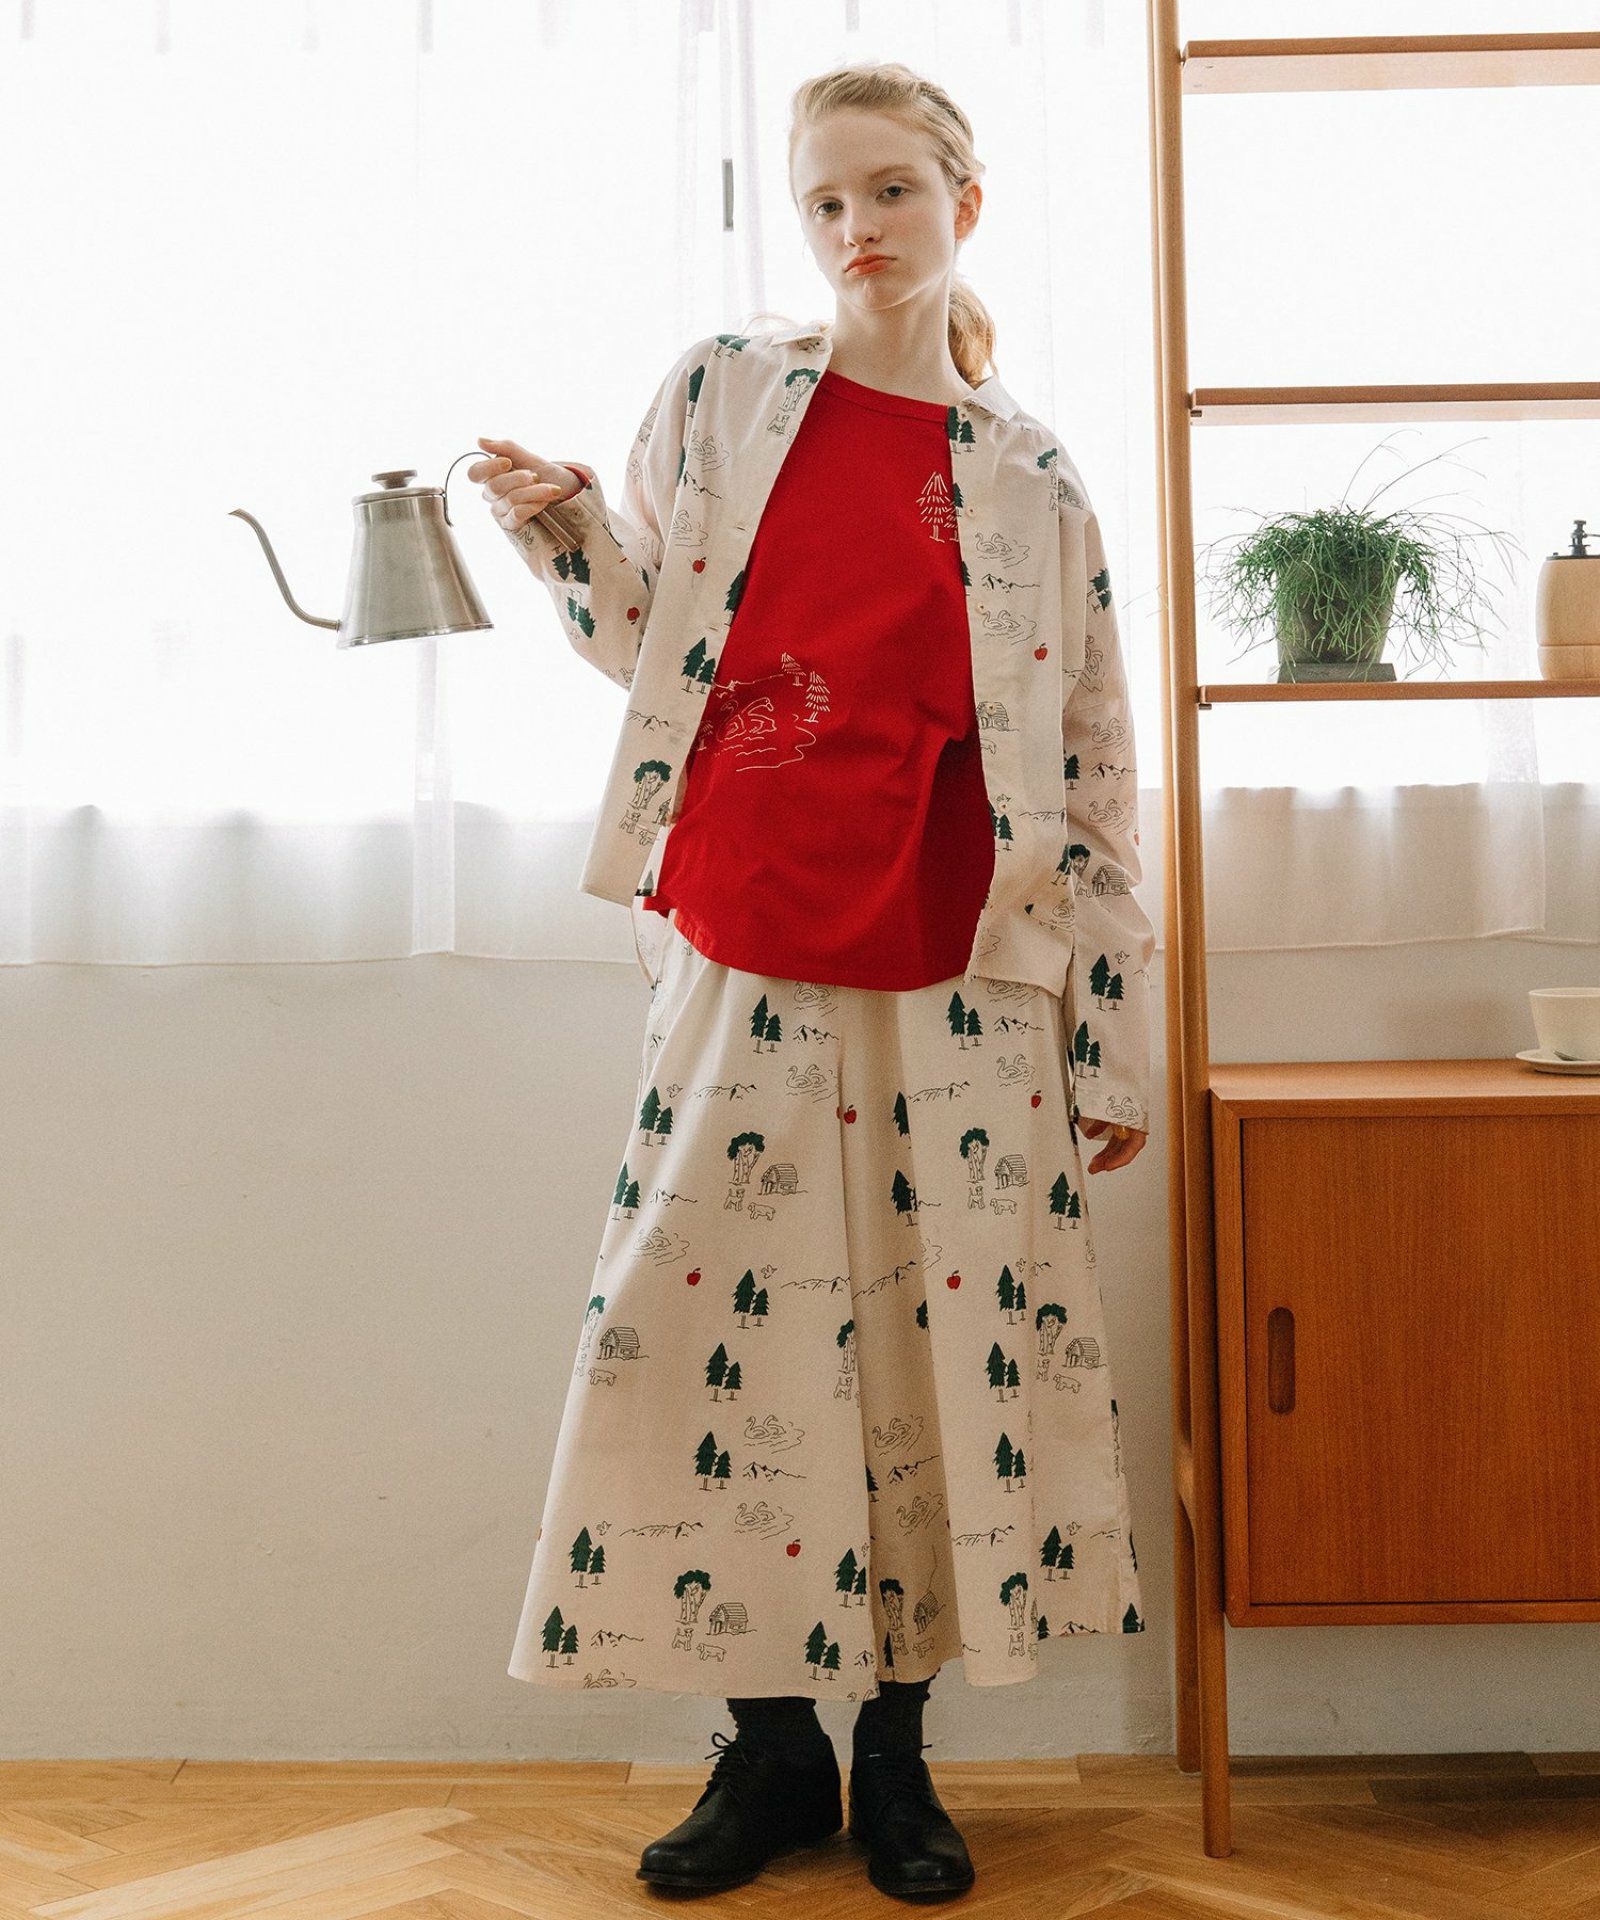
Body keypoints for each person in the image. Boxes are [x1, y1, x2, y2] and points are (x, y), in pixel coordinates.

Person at [469, 58, 1155, 1904]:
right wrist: (562, 533)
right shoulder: (722, 393)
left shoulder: (1031, 476)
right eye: (827, 202)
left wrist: (1110, 1035)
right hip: (740, 921)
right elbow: (657, 655)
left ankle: (897, 1758)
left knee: (937, 1352)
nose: (859, 230)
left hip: (965, 956)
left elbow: (1095, 759)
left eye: (892, 193)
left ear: (964, 205)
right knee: (711, 1339)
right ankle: (770, 1754)